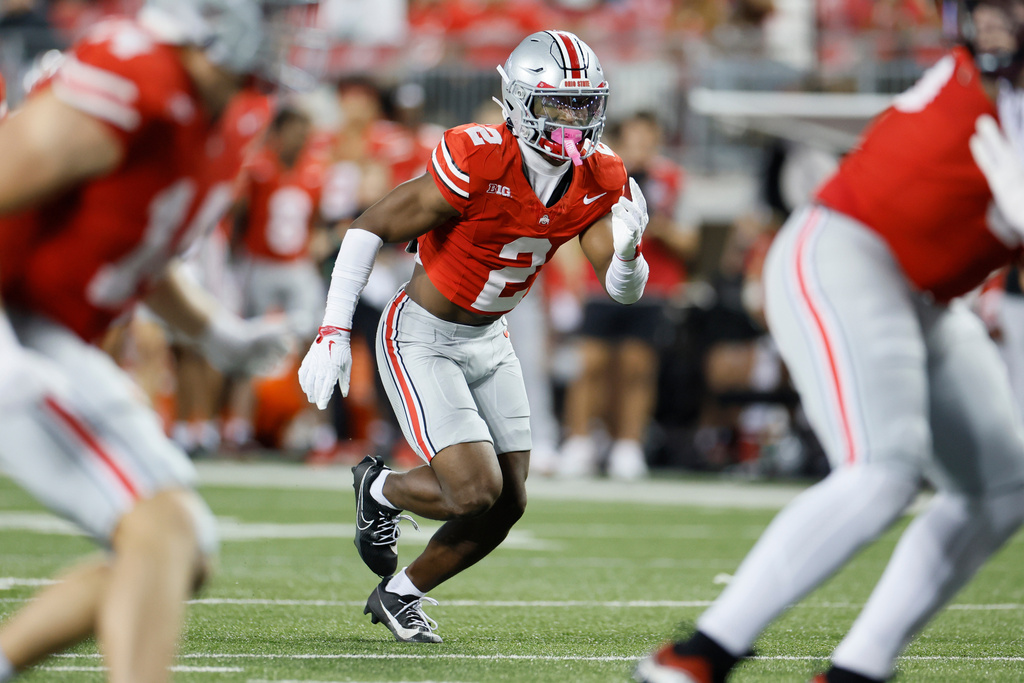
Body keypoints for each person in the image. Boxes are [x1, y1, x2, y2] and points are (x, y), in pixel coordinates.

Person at [636, 2, 1024, 682]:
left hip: (925, 298)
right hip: (846, 256)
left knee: (1003, 487)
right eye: (990, 7)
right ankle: (696, 656)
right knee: (882, 469)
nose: (996, 23)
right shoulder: (991, 86)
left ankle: (857, 670)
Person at [299, 30, 650, 643]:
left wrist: (627, 256)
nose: (573, 119)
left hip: (491, 340)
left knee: (509, 502)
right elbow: (368, 226)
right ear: (517, 101)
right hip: (423, 336)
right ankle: (377, 487)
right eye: (557, 104)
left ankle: (401, 594)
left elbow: (621, 287)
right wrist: (331, 329)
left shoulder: (601, 174)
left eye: (584, 104)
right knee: (474, 490)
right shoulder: (479, 156)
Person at [0, 1, 314, 680]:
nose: (293, 26)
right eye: (277, 11)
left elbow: (135, 237)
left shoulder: (232, 108)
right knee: (160, 528)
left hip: (48, 332)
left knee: (182, 549)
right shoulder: (135, 78)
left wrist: (215, 332)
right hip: (14, 325)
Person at [559, 111, 691, 480]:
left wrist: (659, 228)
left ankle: (628, 444)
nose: (640, 148)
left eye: (647, 140)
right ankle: (580, 441)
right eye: (634, 139)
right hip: (600, 280)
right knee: (591, 365)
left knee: (637, 368)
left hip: (652, 285)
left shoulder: (671, 180)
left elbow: (690, 240)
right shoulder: (600, 173)